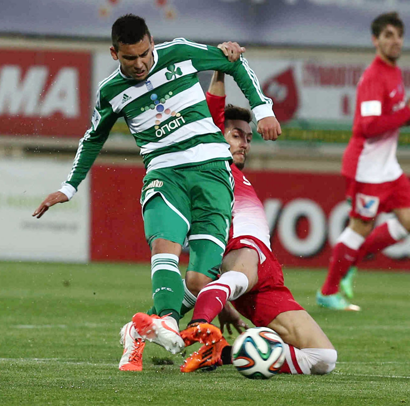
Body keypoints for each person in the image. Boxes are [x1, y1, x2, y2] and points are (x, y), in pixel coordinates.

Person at [32, 15, 281, 355]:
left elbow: (233, 61)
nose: (139, 64)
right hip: (165, 173)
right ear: (113, 53)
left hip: (211, 171)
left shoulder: (178, 52)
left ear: (152, 42)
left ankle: (142, 328)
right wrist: (69, 187)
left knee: (199, 280)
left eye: (144, 54)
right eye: (129, 58)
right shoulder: (111, 92)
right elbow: (93, 139)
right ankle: (166, 320)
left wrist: (262, 108)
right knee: (165, 246)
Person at [178, 70, 337, 375]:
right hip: (242, 251)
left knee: (324, 357)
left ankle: (226, 354)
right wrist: (222, 67)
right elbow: (214, 104)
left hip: (268, 278)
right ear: (216, 135)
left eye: (248, 138)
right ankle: (199, 326)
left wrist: (225, 308)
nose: (245, 143)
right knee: (235, 276)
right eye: (236, 135)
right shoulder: (214, 167)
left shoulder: (242, 176)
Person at [317, 12, 410, 311]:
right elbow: (368, 126)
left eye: (399, 35)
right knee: (360, 227)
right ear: (375, 40)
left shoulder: (395, 71)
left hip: (388, 167)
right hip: (366, 168)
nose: (395, 41)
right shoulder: (374, 76)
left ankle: (351, 262)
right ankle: (328, 292)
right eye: (388, 35)